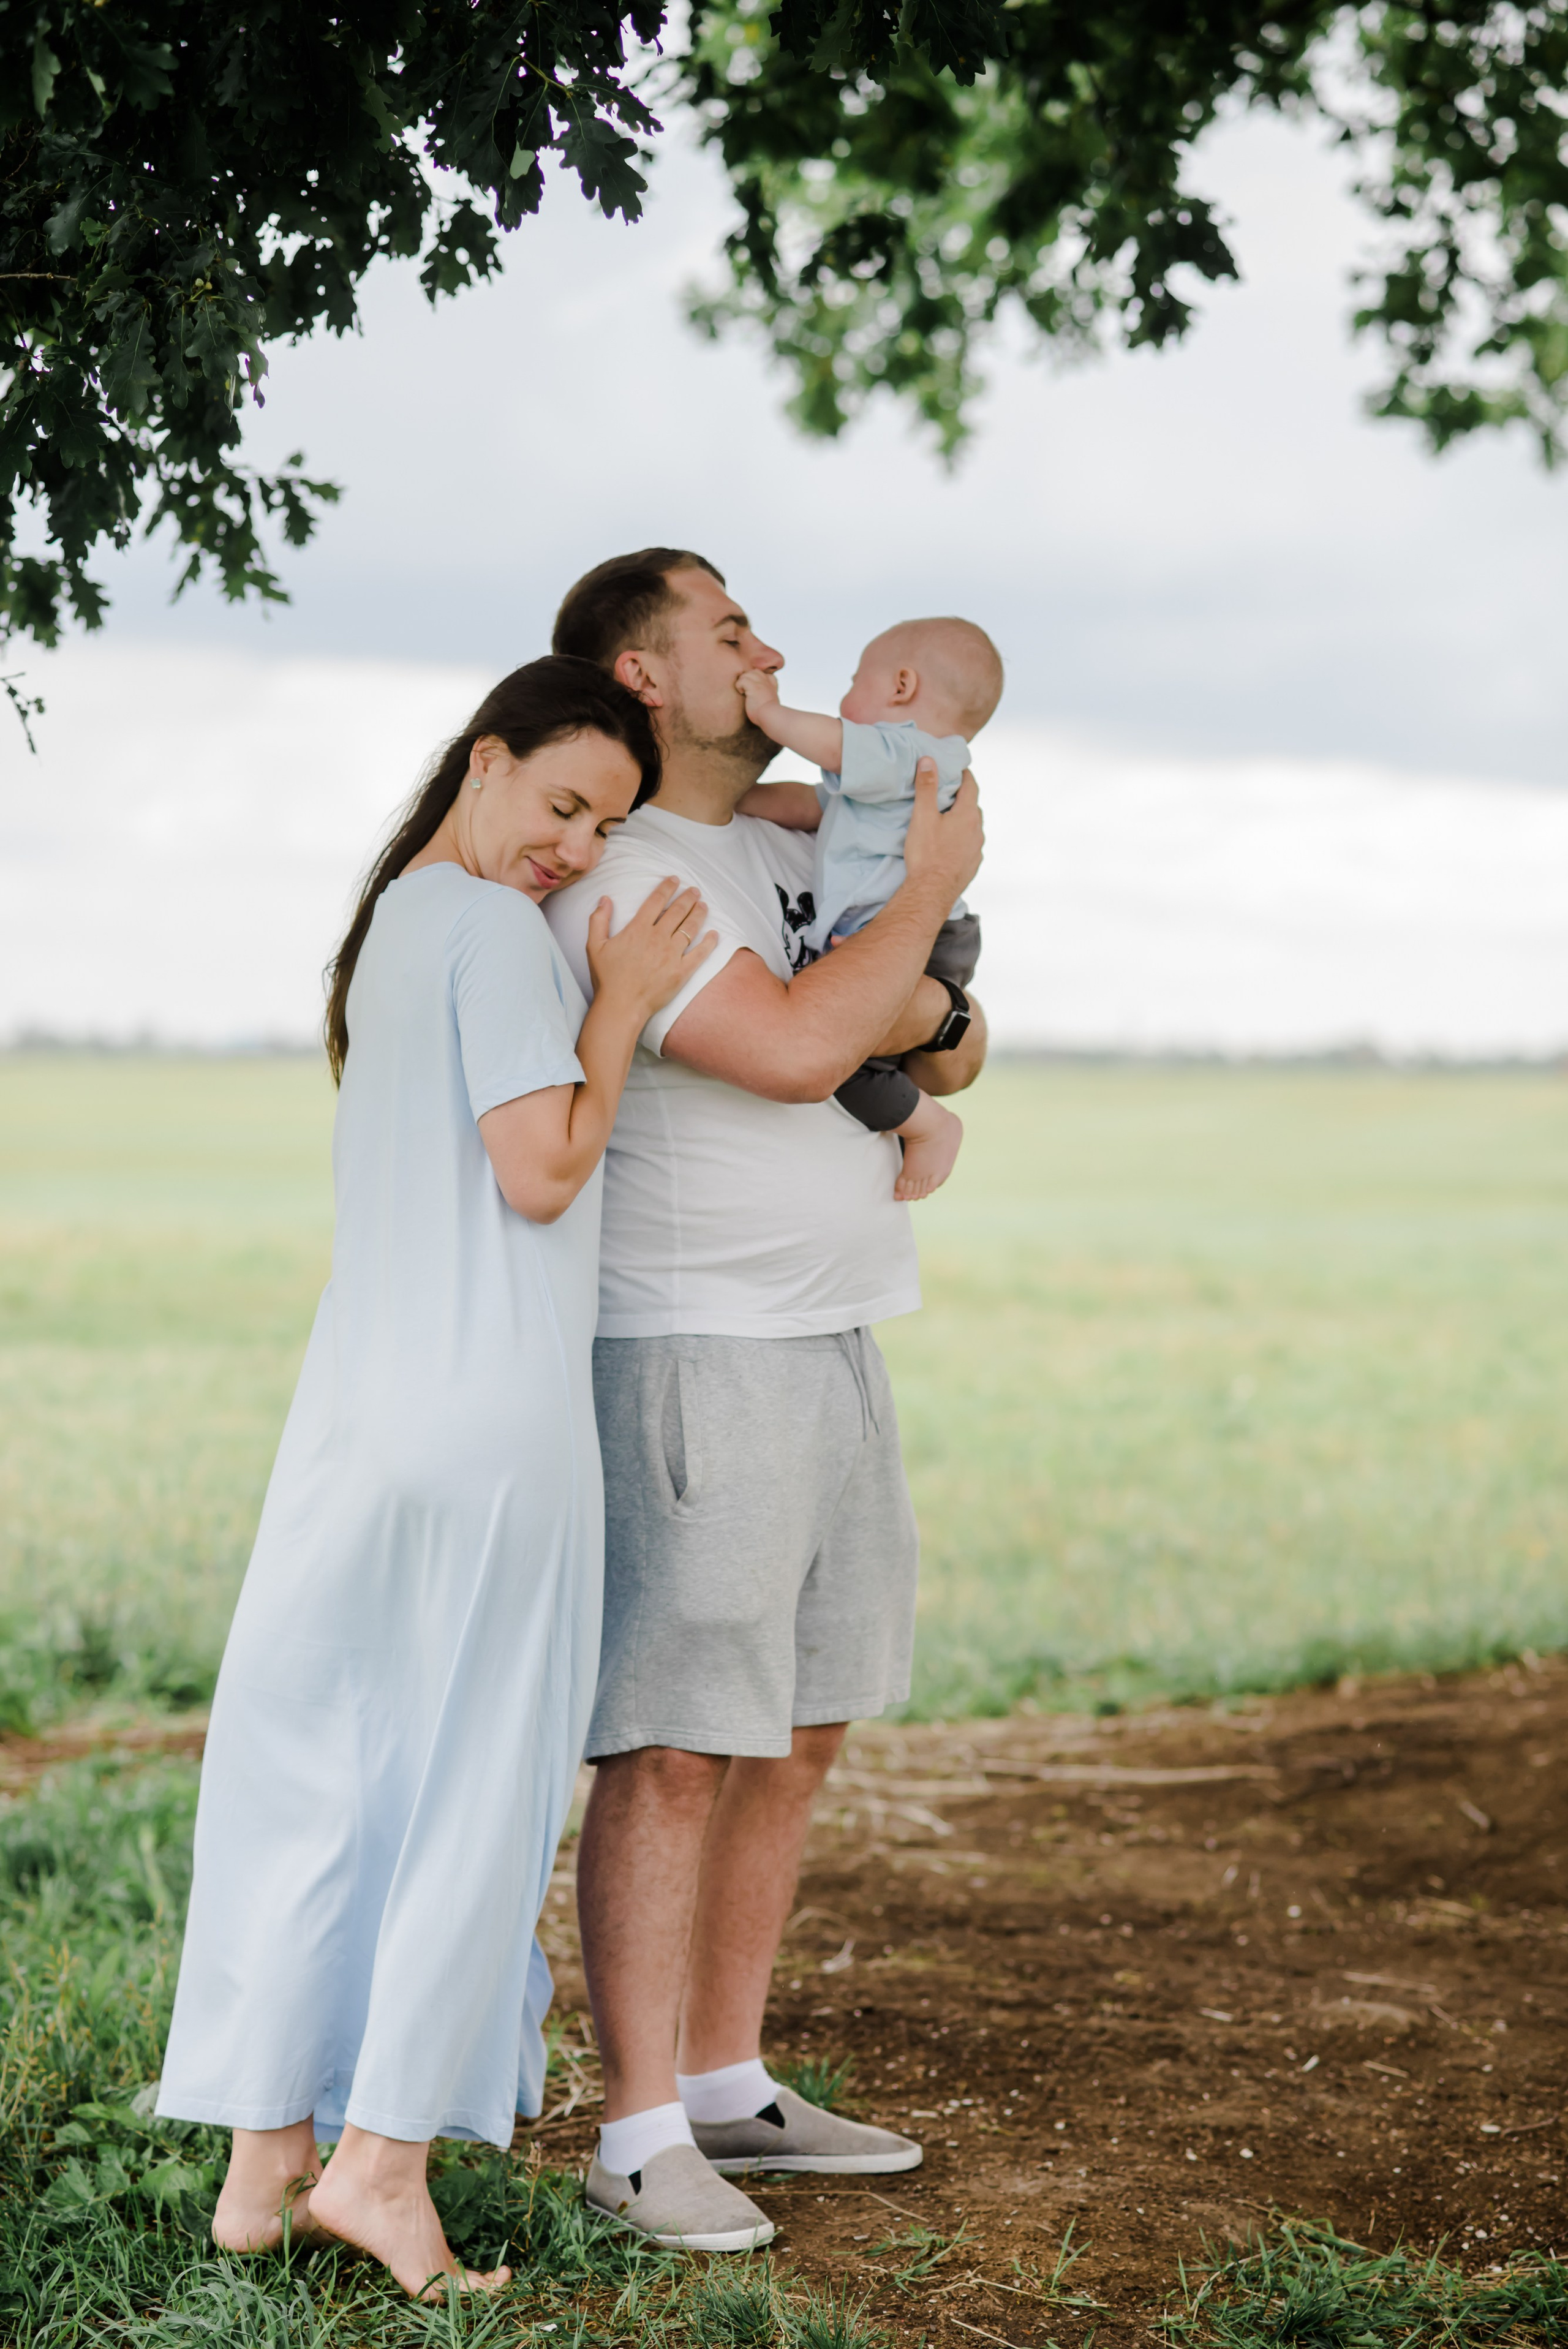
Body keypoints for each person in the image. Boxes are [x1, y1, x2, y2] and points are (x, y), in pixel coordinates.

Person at [155, 658, 714, 2298]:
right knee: (471, 1783)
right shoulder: (486, 933)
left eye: (605, 826)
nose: (576, 848)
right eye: (561, 804)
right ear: (487, 760)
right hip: (488, 1423)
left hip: (356, 1418)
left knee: (321, 1770)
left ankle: (266, 2158)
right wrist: (614, 1008)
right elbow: (540, 1172)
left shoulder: (396, 926)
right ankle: (383, 2165)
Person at [544, 551, 987, 2254]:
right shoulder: (625, 870)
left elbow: (938, 1041)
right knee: (670, 1746)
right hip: (691, 1347)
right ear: (645, 674)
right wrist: (923, 920)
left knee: (801, 1728)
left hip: (837, 1332)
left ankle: (728, 2080)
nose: (775, 651)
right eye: (732, 631)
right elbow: (807, 1049)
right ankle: (637, 2129)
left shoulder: (789, 836)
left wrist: (933, 982)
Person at [733, 614, 1002, 1201]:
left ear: (902, 687)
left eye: (856, 681)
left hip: (922, 940)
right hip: (925, 936)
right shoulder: (891, 777)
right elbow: (813, 804)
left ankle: (929, 1127)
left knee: (849, 1063)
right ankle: (912, 1119)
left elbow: (831, 742)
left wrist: (768, 712)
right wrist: (741, 800)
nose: (844, 698)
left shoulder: (910, 753)